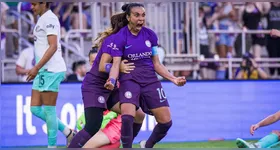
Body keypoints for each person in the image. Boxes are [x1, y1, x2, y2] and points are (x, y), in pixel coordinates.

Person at [104, 3, 186, 148]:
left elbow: (156, 64)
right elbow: (116, 64)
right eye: (137, 15)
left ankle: (147, 146)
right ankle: (127, 147)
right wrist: (111, 79)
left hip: (150, 82)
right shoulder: (120, 37)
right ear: (128, 17)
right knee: (128, 117)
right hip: (130, 80)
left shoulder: (150, 35)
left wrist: (173, 79)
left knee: (166, 122)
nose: (141, 19)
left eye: (143, 15)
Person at [68, 12, 145, 148]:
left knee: (138, 114)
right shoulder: (112, 41)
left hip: (110, 87)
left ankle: (126, 145)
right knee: (92, 126)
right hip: (95, 86)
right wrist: (119, 67)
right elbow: (103, 66)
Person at [27, 2, 75, 148]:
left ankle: (52, 146)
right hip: (43, 70)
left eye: (35, 4)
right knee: (35, 108)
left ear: (44, 3)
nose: (32, 7)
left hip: (51, 70)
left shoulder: (50, 19)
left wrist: (36, 67)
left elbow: (53, 46)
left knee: (49, 110)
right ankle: (69, 133)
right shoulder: (42, 18)